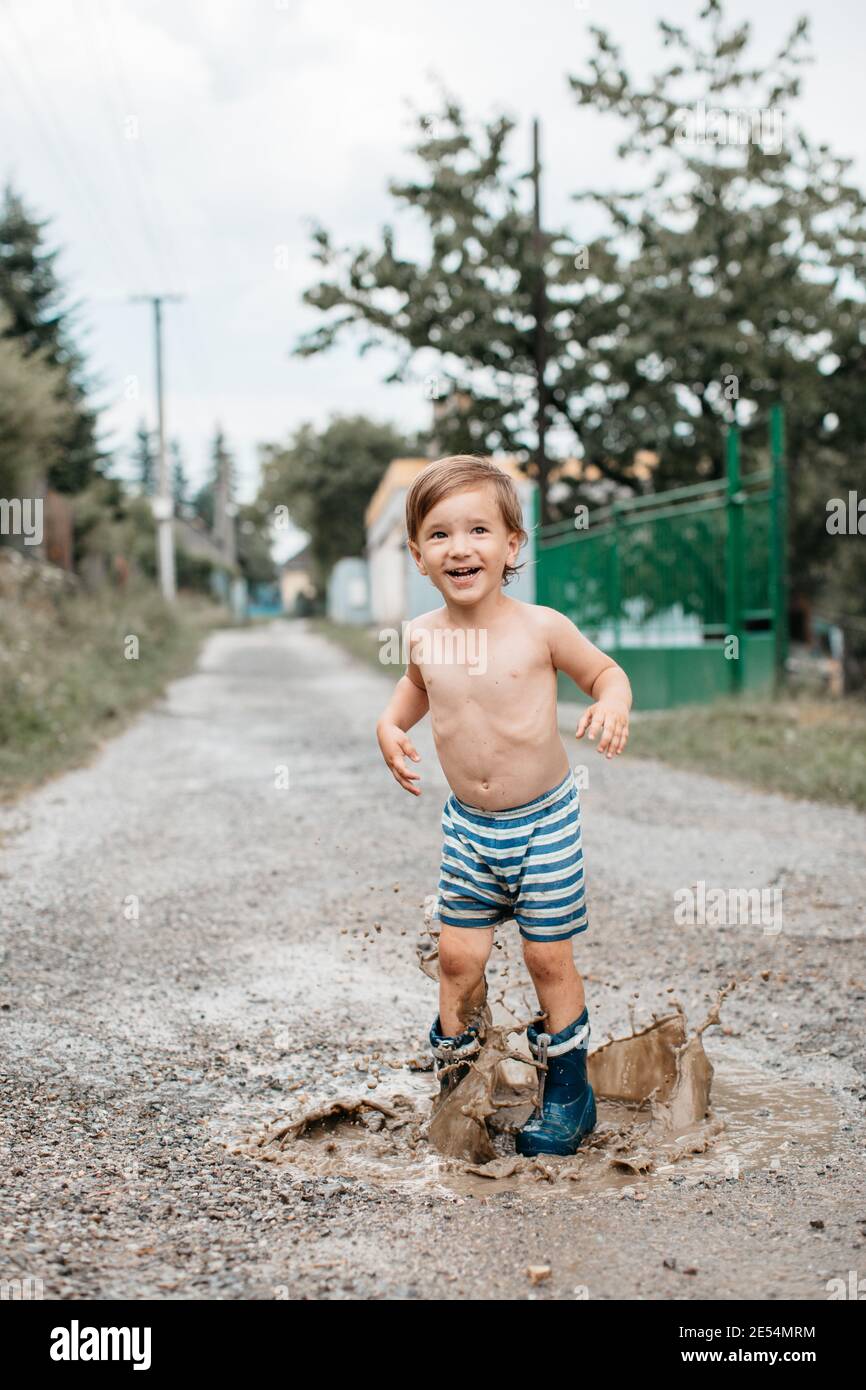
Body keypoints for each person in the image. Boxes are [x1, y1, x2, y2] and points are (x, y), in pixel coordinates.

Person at [375, 455, 632, 1156]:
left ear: (512, 545)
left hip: (544, 821)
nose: (461, 547)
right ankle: (459, 1086)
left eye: (479, 529)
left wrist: (611, 703)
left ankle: (570, 1095)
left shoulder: (541, 627)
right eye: (440, 535)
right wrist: (390, 727)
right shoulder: (423, 634)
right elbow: (414, 691)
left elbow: (605, 672)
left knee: (548, 957)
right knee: (458, 959)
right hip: (467, 830)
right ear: (419, 556)